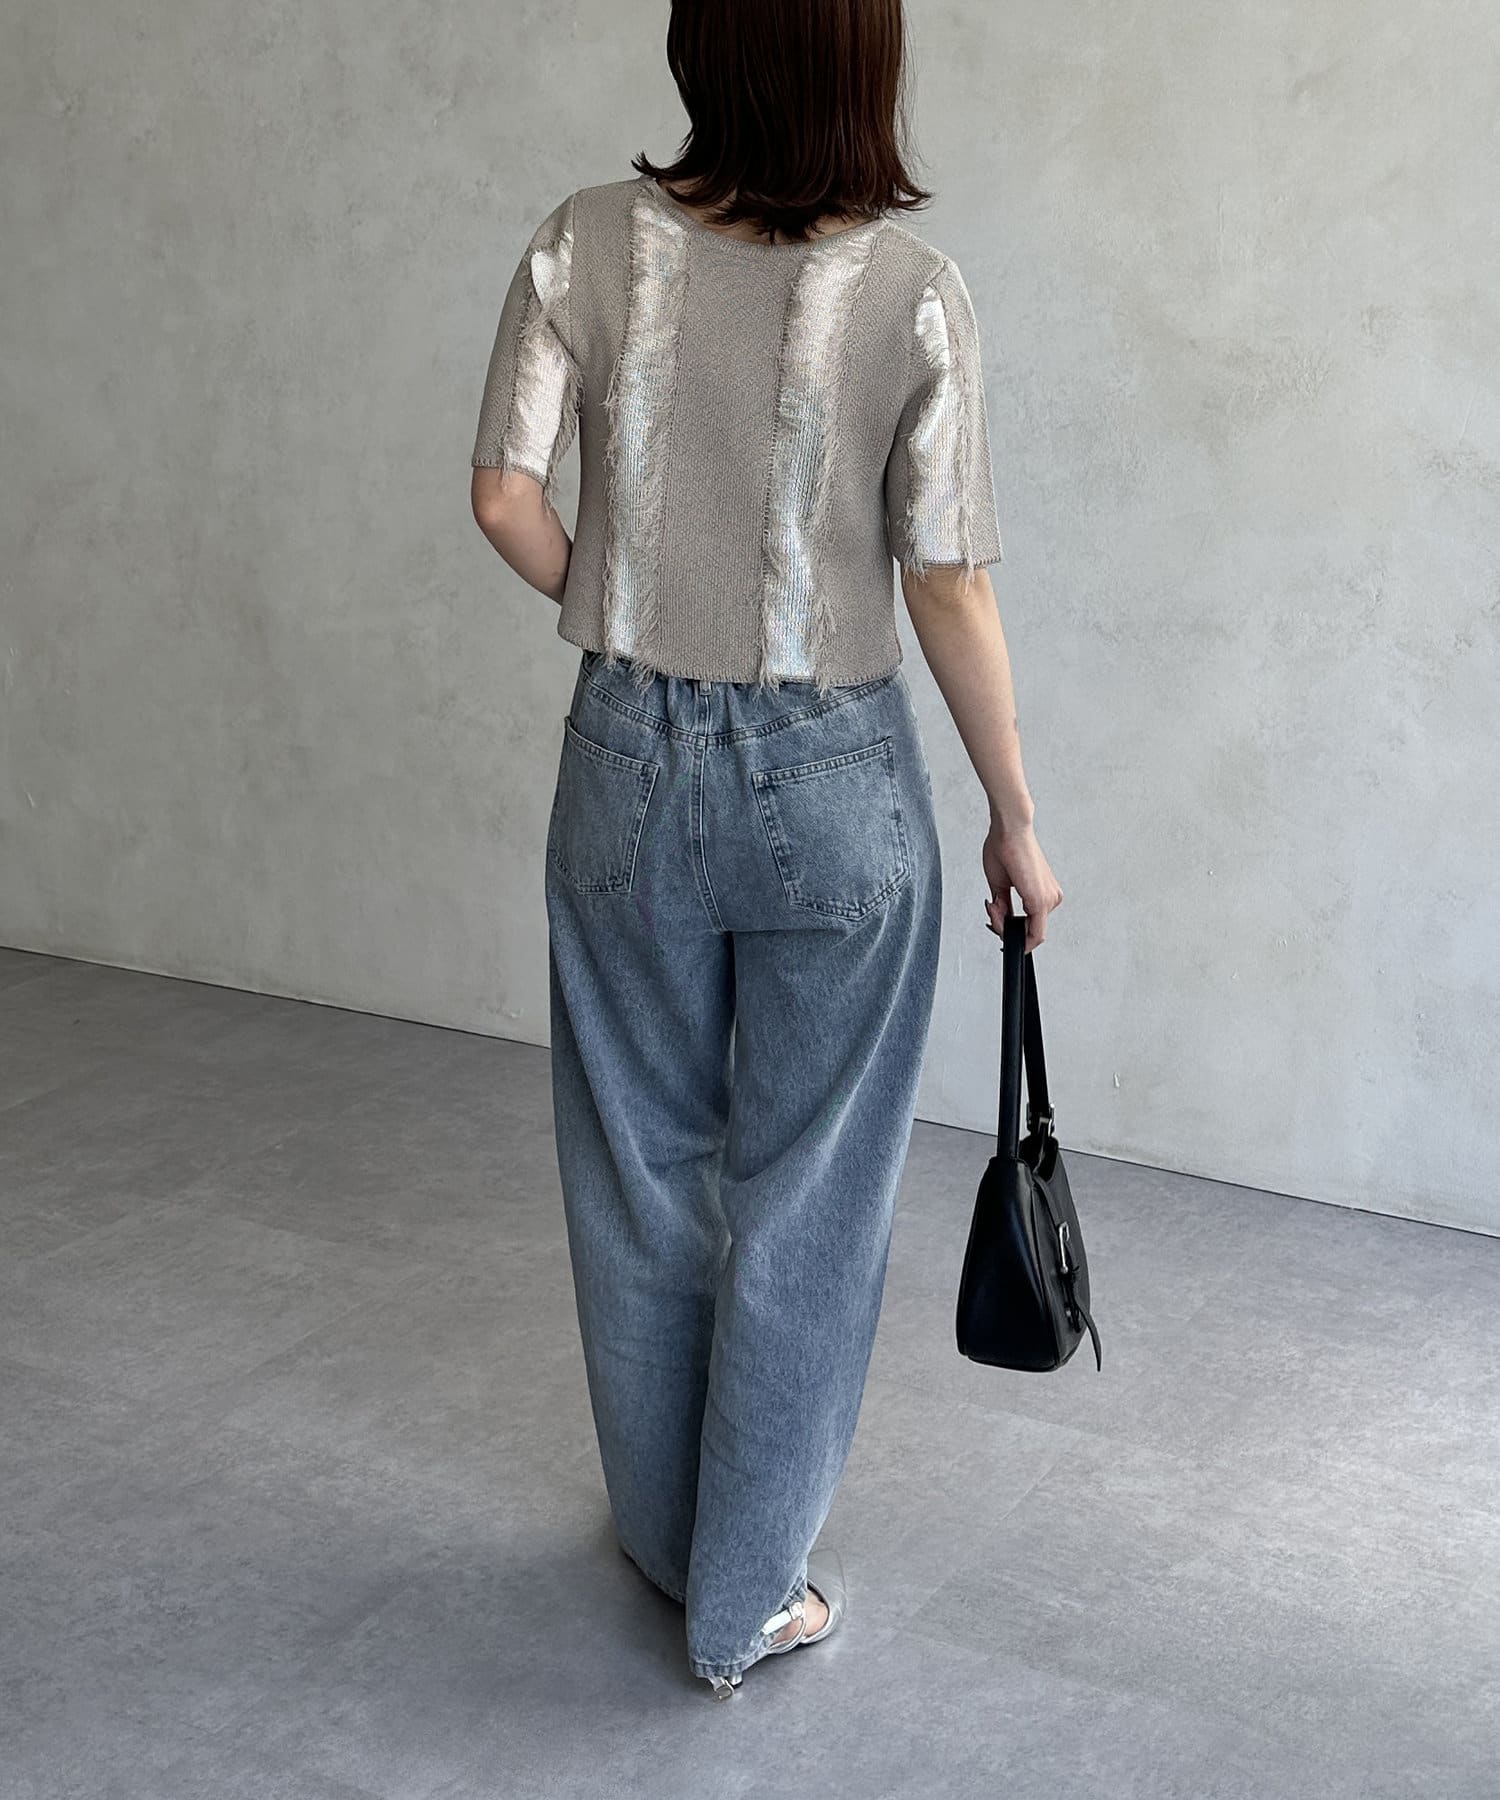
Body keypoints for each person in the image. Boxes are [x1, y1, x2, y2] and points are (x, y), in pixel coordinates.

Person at [469, 0, 1063, 1700]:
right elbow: (946, 579)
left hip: (622, 758)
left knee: (639, 1171)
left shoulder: (582, 241)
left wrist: (618, 605)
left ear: (702, 50)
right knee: (811, 1200)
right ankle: (742, 1597)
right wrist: (1016, 817)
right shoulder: (914, 294)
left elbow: (505, 495)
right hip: (834, 783)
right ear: (862, 66)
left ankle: (671, 1546)